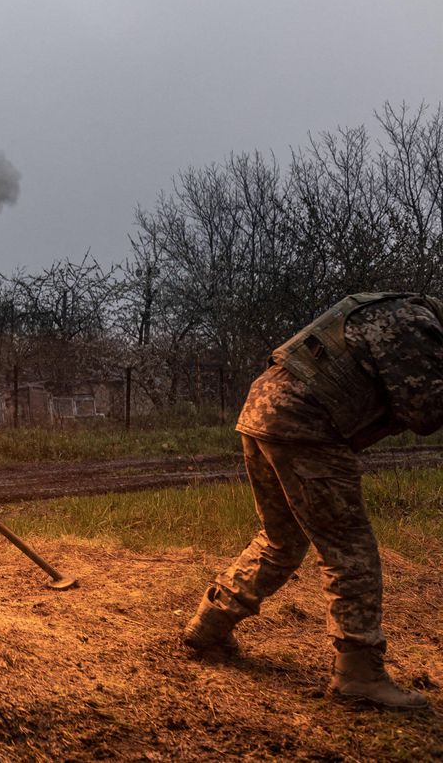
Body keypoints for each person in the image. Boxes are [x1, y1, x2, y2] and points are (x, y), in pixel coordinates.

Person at [183, 292, 443, 709]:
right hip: (305, 422)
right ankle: (359, 673)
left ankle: (210, 623)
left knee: (282, 538)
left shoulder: (387, 308)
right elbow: (426, 411)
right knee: (350, 549)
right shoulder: (415, 325)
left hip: (262, 408)